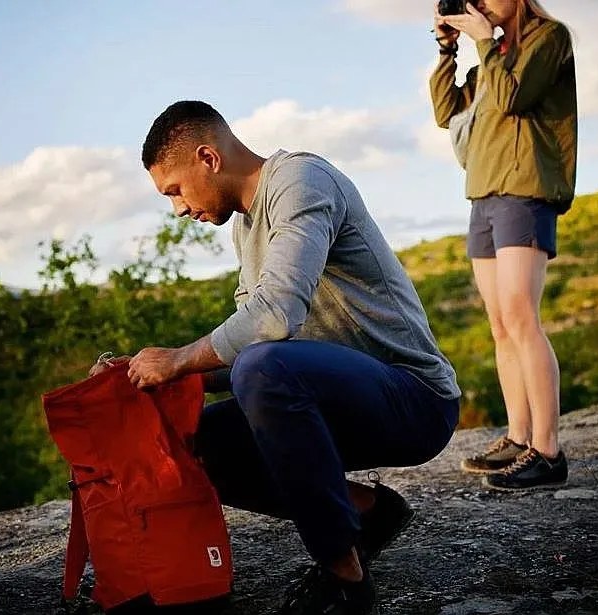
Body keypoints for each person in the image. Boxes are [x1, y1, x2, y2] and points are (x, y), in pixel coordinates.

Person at [95, 100, 461, 614]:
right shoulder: (245, 229)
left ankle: (345, 577)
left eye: (174, 189)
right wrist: (147, 374)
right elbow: (248, 352)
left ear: (208, 157)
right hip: (331, 402)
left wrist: (179, 359)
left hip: (414, 401)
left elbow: (273, 320)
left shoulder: (301, 181)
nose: (177, 209)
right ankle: (367, 512)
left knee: (262, 367)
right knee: (197, 446)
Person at [429, 0, 576, 490]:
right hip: (484, 193)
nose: (479, 3)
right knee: (499, 324)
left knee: (520, 317)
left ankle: (548, 451)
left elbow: (514, 97)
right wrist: (448, 49)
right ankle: (518, 437)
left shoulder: (547, 39)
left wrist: (483, 41)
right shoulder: (489, 56)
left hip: (525, 189)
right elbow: (446, 112)